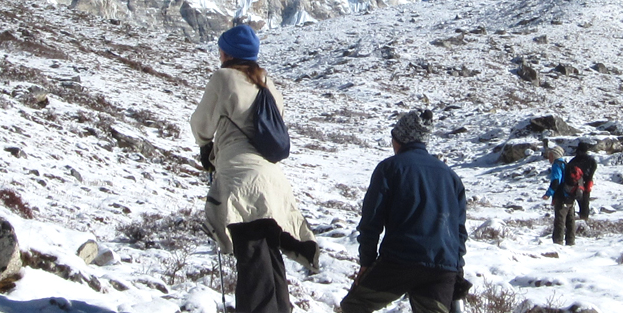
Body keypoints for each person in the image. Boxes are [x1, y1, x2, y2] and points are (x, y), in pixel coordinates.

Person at [191, 24, 319, 313]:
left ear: (227, 53)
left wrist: (205, 147)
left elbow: (202, 123)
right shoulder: (267, 84)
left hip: (241, 180)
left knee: (251, 260)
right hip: (273, 181)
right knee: (270, 258)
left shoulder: (223, 78)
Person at [342, 110, 469, 313]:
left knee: (355, 305)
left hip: (400, 260)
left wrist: (366, 262)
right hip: (443, 267)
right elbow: (459, 231)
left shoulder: (389, 168)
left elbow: (371, 220)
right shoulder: (451, 177)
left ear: (399, 139)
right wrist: (456, 269)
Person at [541, 146, 574, 245]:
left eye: (550, 155)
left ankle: (558, 242)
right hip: (570, 196)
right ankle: (571, 242)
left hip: (561, 196)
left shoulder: (557, 165)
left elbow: (556, 181)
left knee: (560, 220)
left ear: (555, 155)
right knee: (570, 220)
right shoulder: (565, 163)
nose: (549, 158)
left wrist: (548, 194)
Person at [564, 141, 598, 221]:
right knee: (584, 206)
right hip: (584, 186)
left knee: (570, 206)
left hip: (571, 187)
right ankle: (584, 222)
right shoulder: (591, 161)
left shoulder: (573, 161)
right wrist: (588, 184)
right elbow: (591, 173)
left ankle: (570, 224)